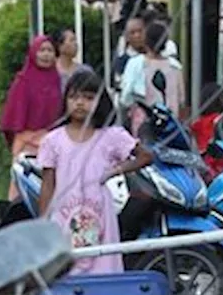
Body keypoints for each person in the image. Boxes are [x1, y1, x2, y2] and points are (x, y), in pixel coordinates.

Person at [37, 70, 154, 274]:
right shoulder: (53, 141)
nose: (80, 103)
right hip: (64, 214)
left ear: (100, 102)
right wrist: (43, 223)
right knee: (66, 273)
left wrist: (117, 170)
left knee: (102, 268)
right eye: (74, 97)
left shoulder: (111, 137)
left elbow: (145, 157)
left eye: (88, 97)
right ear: (65, 101)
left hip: (100, 214)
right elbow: (48, 184)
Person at [0, 35, 64, 161]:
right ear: (33, 53)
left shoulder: (56, 80)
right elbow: (13, 116)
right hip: (26, 143)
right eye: (42, 50)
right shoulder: (23, 81)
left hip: (52, 141)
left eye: (50, 51)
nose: (46, 55)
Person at [122, 22, 185, 134]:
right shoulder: (175, 66)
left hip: (144, 123)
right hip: (171, 123)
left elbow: (126, 97)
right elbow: (181, 100)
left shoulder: (135, 64)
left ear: (145, 41)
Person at [53, 28, 83, 93]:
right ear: (60, 46)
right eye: (72, 40)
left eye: (75, 40)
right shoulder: (49, 71)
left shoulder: (84, 71)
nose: (76, 44)